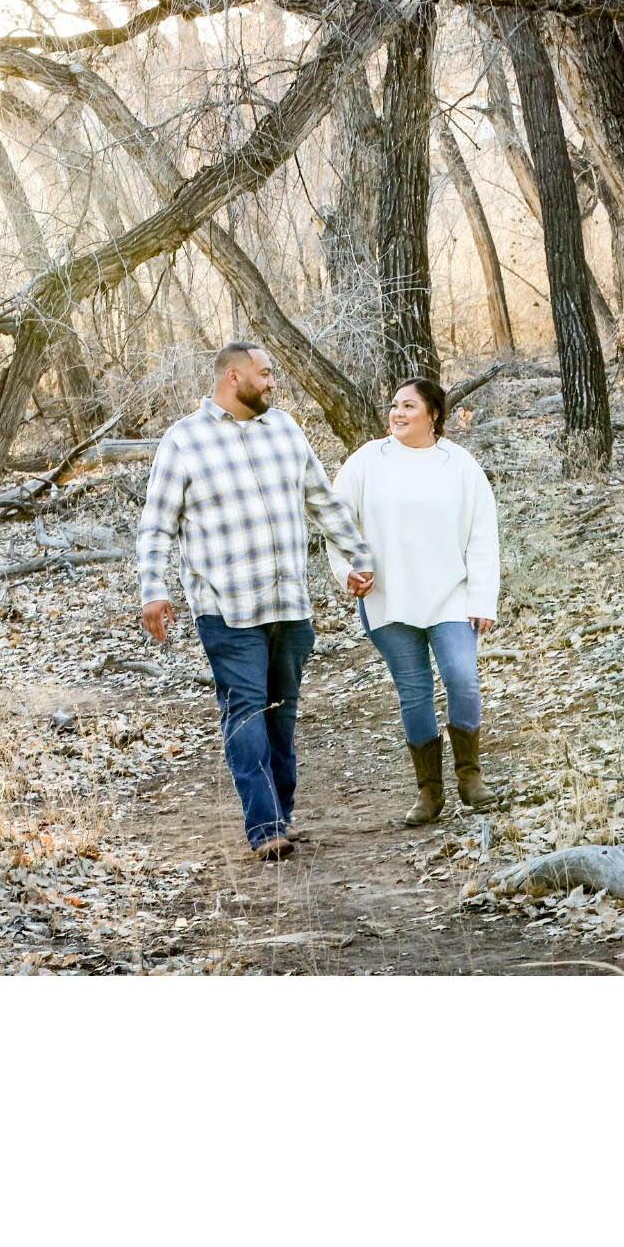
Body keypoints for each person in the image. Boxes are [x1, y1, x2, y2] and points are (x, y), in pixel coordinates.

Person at [136, 342, 375, 862]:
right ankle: (264, 826)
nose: (272, 382)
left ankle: (280, 812)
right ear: (233, 377)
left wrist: (357, 554)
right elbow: (157, 524)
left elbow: (321, 500)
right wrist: (153, 589)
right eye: (265, 374)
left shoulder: (286, 429)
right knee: (245, 710)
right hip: (227, 608)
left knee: (281, 714)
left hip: (289, 603)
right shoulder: (184, 442)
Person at [330, 378, 500, 825]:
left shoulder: (459, 465)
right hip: (389, 598)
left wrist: (483, 597)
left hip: (451, 596)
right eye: (394, 406)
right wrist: (347, 571)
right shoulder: (368, 460)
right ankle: (429, 792)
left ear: (434, 414)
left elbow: (483, 533)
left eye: (409, 406)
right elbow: (335, 521)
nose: (398, 413)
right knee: (414, 693)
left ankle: (470, 775)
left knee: (462, 679)